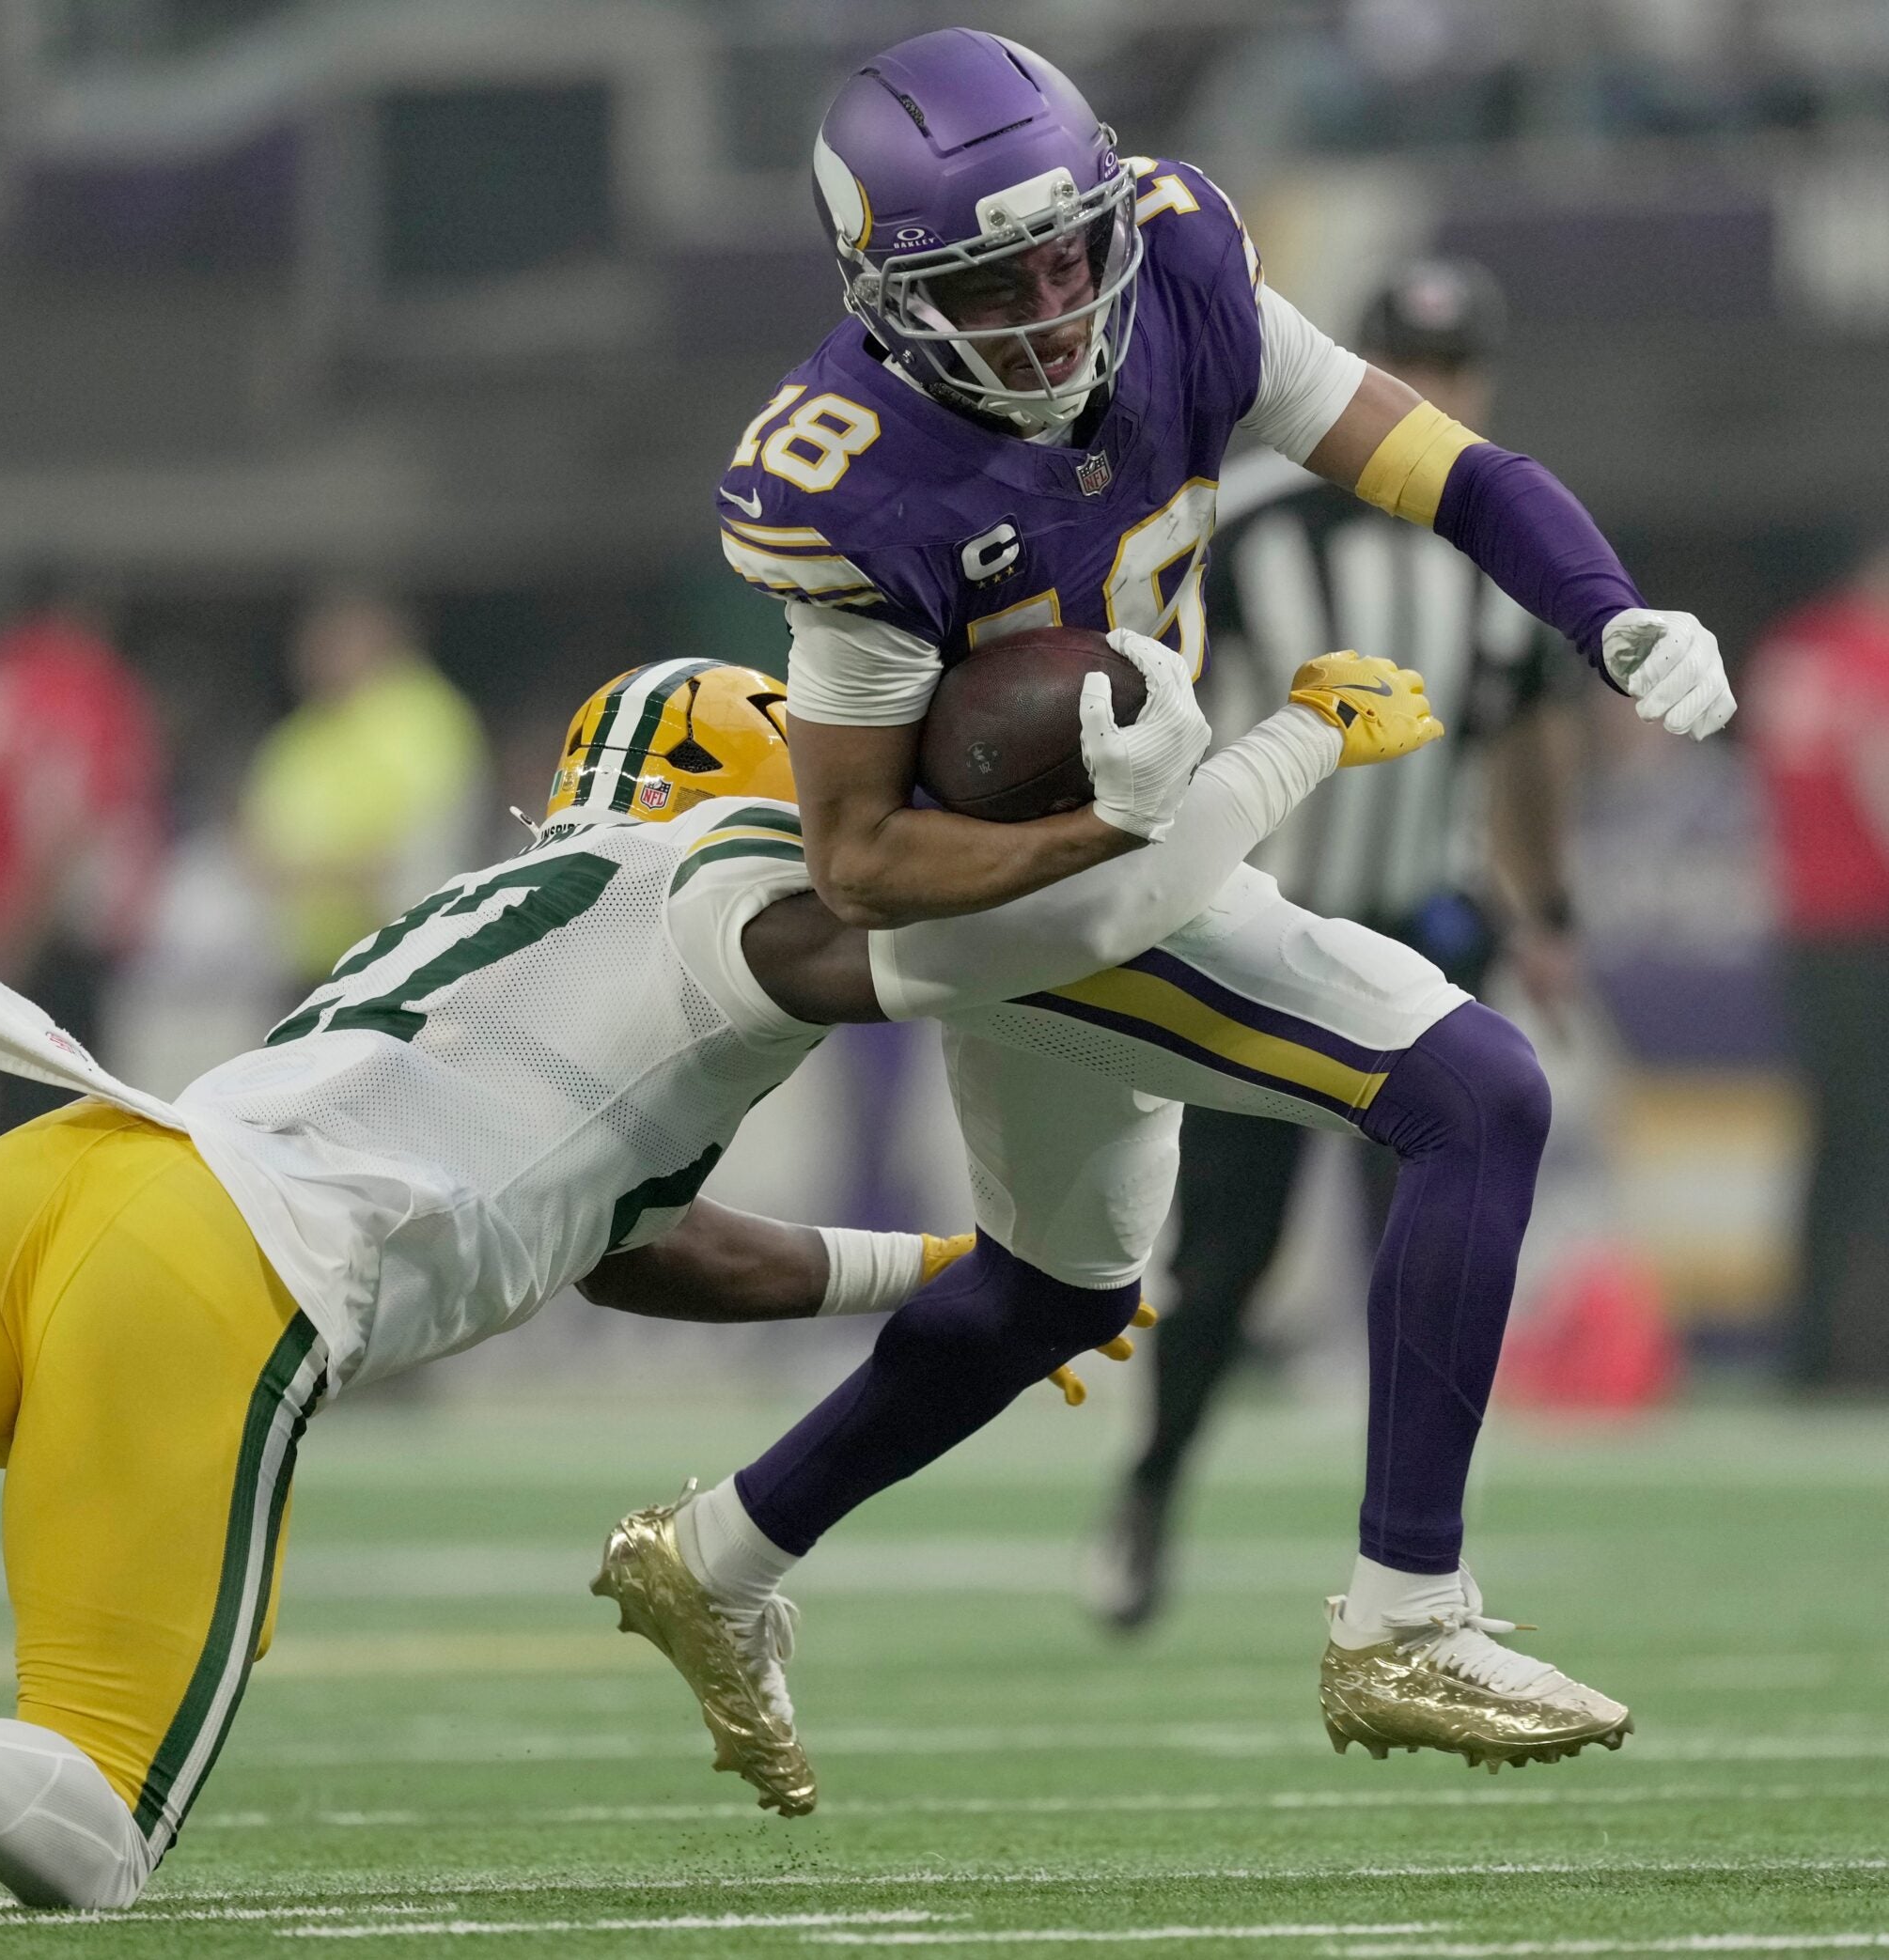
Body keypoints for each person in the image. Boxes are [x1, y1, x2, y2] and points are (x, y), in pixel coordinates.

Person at [0, 646, 1430, 1916]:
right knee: (90, 1833)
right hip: (222, 1270)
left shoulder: (521, 899)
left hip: (80, 1162)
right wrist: (1276, 753)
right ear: (756, 766)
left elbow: (625, 1241)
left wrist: (920, 1271)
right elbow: (1045, 936)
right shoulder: (732, 892)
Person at [611, 28, 1731, 1810]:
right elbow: (862, 861)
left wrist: (1607, 613)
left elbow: (1451, 471)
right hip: (1042, 895)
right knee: (1479, 1095)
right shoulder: (857, 478)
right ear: (889, 291)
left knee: (1062, 1288)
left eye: (1068, 252)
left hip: (1137, 849)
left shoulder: (1186, 271)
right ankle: (1405, 1614)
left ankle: (721, 1555)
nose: (1056, 305)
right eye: (995, 278)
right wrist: (1113, 837)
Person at [1086, 257, 1585, 1631]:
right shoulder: (1249, 532)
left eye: (1455, 369)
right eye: (1405, 366)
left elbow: (1529, 736)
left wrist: (1547, 912)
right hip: (1259, 939)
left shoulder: (1493, 550)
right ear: (1362, 372)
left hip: (1426, 937)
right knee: (1226, 1262)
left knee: (1432, 1243)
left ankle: (1415, 1558)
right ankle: (1149, 1496)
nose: (1431, 395)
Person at [0, 585, 165, 1138]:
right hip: (52, 942)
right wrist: (20, 931)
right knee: (74, 1129)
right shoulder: (80, 688)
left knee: (3, 1131)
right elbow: (69, 825)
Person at [1746, 537, 1889, 1393]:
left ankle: (1813, 1351)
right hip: (1871, 929)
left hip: (1807, 930)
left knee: (1832, 1144)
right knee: (1872, 1150)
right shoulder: (1871, 657)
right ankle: (1863, 1353)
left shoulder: (1789, 651)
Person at [238, 592, 488, 998]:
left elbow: (427, 844)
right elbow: (255, 845)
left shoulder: (423, 715)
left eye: (334, 642)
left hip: (404, 957)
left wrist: (318, 874)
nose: (314, 658)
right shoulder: (301, 732)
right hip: (310, 963)